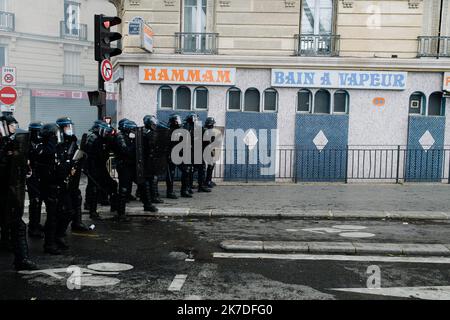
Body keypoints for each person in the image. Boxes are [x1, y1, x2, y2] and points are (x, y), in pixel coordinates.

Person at [0, 115, 38, 270]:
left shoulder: (11, 144)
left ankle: (21, 259)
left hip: (9, 193)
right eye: (11, 125)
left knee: (17, 224)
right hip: (3, 192)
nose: (14, 128)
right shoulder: (4, 146)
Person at [35, 123, 72, 255]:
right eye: (55, 134)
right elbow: (49, 160)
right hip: (49, 186)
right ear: (50, 136)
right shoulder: (43, 148)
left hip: (60, 185)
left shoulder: (57, 147)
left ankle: (58, 236)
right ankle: (49, 244)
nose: (58, 136)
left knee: (67, 212)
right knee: (52, 216)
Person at [55, 117, 90, 233]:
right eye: (67, 127)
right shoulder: (58, 143)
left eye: (70, 127)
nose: (69, 129)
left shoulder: (73, 142)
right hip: (63, 178)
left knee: (77, 197)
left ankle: (77, 222)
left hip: (73, 176)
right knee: (64, 206)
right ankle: (59, 229)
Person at [83, 120, 118, 220]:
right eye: (105, 131)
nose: (107, 133)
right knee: (94, 187)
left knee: (112, 184)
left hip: (101, 166)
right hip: (92, 166)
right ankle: (92, 210)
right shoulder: (92, 138)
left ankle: (113, 206)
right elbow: (87, 154)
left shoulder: (104, 139)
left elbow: (111, 148)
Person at [113, 120, 140, 220]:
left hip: (129, 165)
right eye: (131, 128)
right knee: (123, 189)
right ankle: (121, 213)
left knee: (131, 186)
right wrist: (134, 144)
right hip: (124, 165)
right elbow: (126, 151)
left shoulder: (126, 136)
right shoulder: (120, 136)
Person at [185, 113, 211, 193]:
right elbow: (206, 140)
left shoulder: (186, 127)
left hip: (192, 151)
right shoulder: (196, 128)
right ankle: (198, 186)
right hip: (195, 152)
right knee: (199, 169)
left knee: (191, 170)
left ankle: (190, 187)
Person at [27, 121, 45, 238]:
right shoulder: (28, 145)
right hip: (32, 175)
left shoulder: (41, 144)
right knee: (35, 200)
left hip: (40, 175)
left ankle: (36, 223)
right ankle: (32, 227)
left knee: (39, 199)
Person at [204, 117, 217, 188]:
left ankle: (209, 180)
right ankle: (207, 181)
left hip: (211, 150)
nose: (213, 125)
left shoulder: (209, 130)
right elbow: (209, 142)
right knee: (210, 167)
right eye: (212, 124)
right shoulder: (207, 131)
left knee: (211, 166)